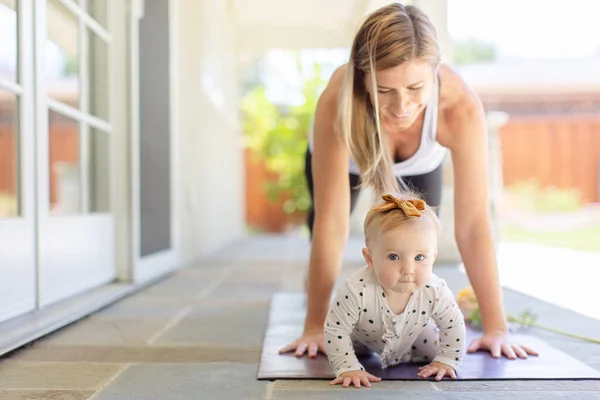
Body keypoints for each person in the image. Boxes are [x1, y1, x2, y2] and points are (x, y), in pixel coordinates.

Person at [279, 3, 538, 360]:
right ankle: (316, 298)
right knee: (322, 227)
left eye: (416, 87)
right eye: (384, 90)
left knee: (415, 239)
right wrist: (313, 327)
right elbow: (333, 224)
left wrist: (496, 327)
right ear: (362, 79)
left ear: (435, 74)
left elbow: (474, 225)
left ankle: (401, 314)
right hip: (349, 156)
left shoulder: (459, 108)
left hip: (421, 161)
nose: (401, 106)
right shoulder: (338, 101)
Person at [325, 193, 466, 388]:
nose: (408, 269)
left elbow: (453, 324)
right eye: (393, 257)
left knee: (435, 348)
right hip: (361, 339)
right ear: (370, 258)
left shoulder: (435, 290)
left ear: (433, 258)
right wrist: (347, 367)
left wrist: (447, 359)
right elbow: (336, 329)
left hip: (415, 335)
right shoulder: (356, 290)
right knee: (343, 347)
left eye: (419, 258)